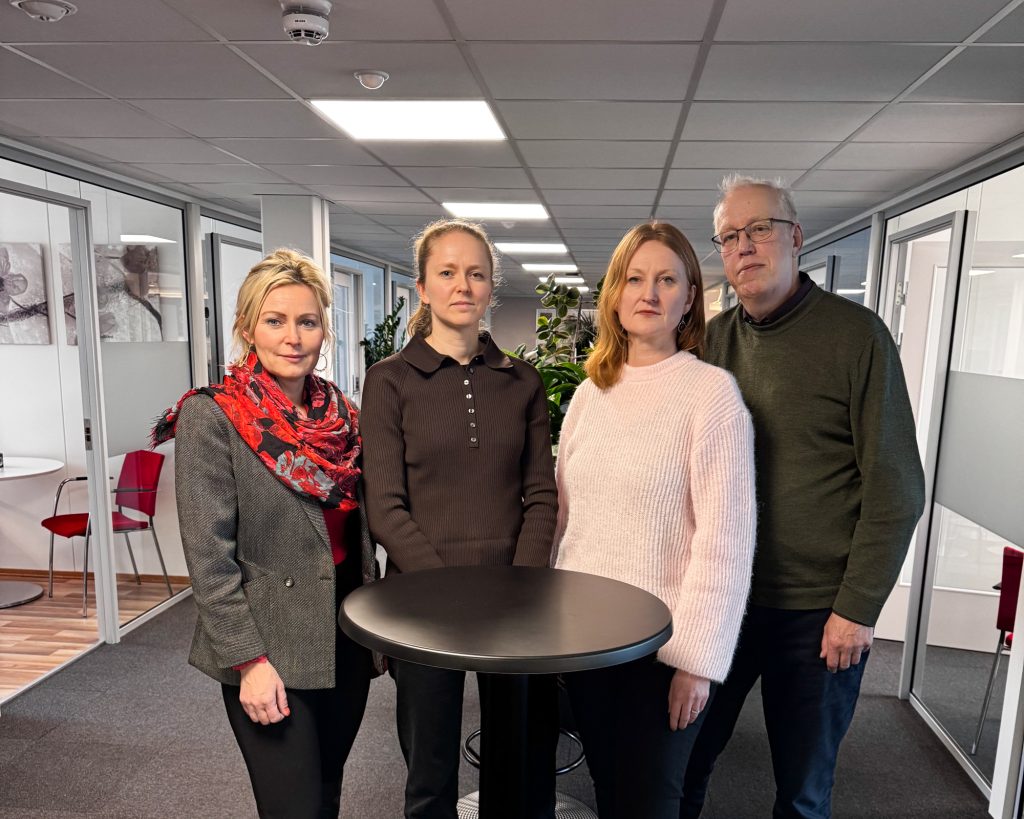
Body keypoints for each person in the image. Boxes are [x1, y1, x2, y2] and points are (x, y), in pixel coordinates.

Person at [681, 176, 926, 819]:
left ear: (795, 237)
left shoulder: (857, 337)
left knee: (802, 790)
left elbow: (897, 488)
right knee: (684, 763)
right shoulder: (711, 343)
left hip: (820, 614)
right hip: (726, 601)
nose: (744, 247)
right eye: (729, 237)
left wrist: (857, 608)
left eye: (759, 229)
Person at [154, 248, 376, 819]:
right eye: (275, 320)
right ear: (248, 327)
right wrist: (248, 662)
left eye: (308, 321)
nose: (293, 337)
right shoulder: (214, 415)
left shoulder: (342, 415)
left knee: (326, 791)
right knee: (292, 807)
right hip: (269, 645)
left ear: (324, 330)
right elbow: (209, 558)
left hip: (345, 633)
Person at [552, 222, 757, 819]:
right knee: (609, 788)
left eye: (667, 280)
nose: (649, 293)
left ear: (689, 298)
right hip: (587, 640)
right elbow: (567, 520)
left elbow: (725, 542)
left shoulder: (711, 395)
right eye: (635, 278)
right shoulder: (591, 394)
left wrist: (695, 662)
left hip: (664, 648)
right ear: (615, 295)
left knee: (651, 802)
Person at [359, 218, 559, 819]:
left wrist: (520, 583)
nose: (462, 286)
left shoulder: (522, 381)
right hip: (422, 604)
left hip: (514, 603)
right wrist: (447, 594)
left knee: (516, 766)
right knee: (430, 770)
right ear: (423, 287)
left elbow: (541, 495)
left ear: (492, 286)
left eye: (476, 273)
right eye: (447, 272)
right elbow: (385, 507)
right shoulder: (389, 381)